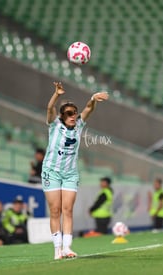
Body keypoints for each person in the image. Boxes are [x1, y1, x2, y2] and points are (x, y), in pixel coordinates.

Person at [42, 81, 109, 259]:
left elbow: (89, 108)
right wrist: (56, 94)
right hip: (52, 171)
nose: (73, 116)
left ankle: (67, 247)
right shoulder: (54, 124)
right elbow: (50, 109)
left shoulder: (79, 125)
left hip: (70, 173)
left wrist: (93, 98)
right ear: (63, 116)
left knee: (68, 209)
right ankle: (57, 249)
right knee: (55, 210)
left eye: (74, 113)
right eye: (69, 114)